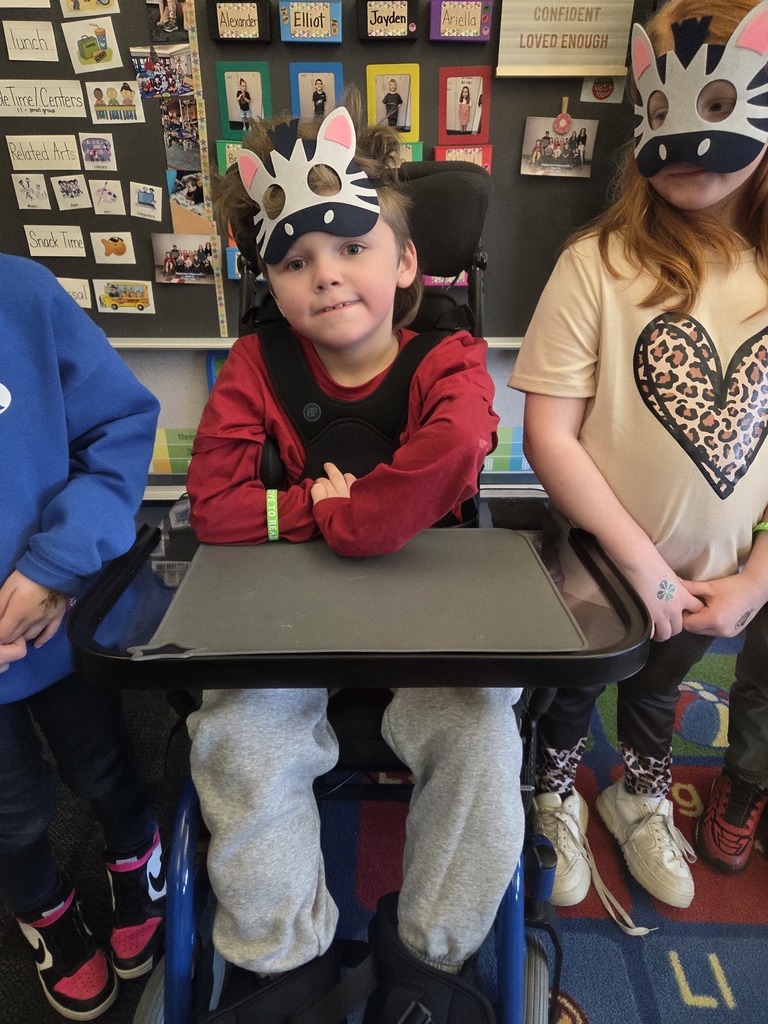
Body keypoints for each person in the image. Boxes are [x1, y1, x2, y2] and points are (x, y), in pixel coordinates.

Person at [185, 94, 522, 1024]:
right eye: (296, 262)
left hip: (428, 619)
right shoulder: (257, 366)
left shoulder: (450, 358)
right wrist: (310, 507)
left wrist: (355, 517)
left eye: (352, 249)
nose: (326, 277)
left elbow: (452, 452)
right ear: (272, 279)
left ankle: (426, 962)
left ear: (406, 260)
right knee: (237, 738)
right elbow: (210, 506)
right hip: (287, 621)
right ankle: (284, 968)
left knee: (485, 738)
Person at [509, 0, 768, 925]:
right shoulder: (596, 262)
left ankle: (639, 791)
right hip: (600, 563)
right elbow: (550, 437)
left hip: (718, 577)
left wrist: (753, 582)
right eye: (667, 112)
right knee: (579, 686)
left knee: (662, 694)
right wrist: (642, 566)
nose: (692, 143)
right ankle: (553, 787)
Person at [0, 255, 164, 1018]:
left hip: (61, 628)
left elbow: (120, 426)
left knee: (102, 765)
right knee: (13, 812)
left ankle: (136, 859)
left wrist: (57, 566)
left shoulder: (19, 294)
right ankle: (45, 910)